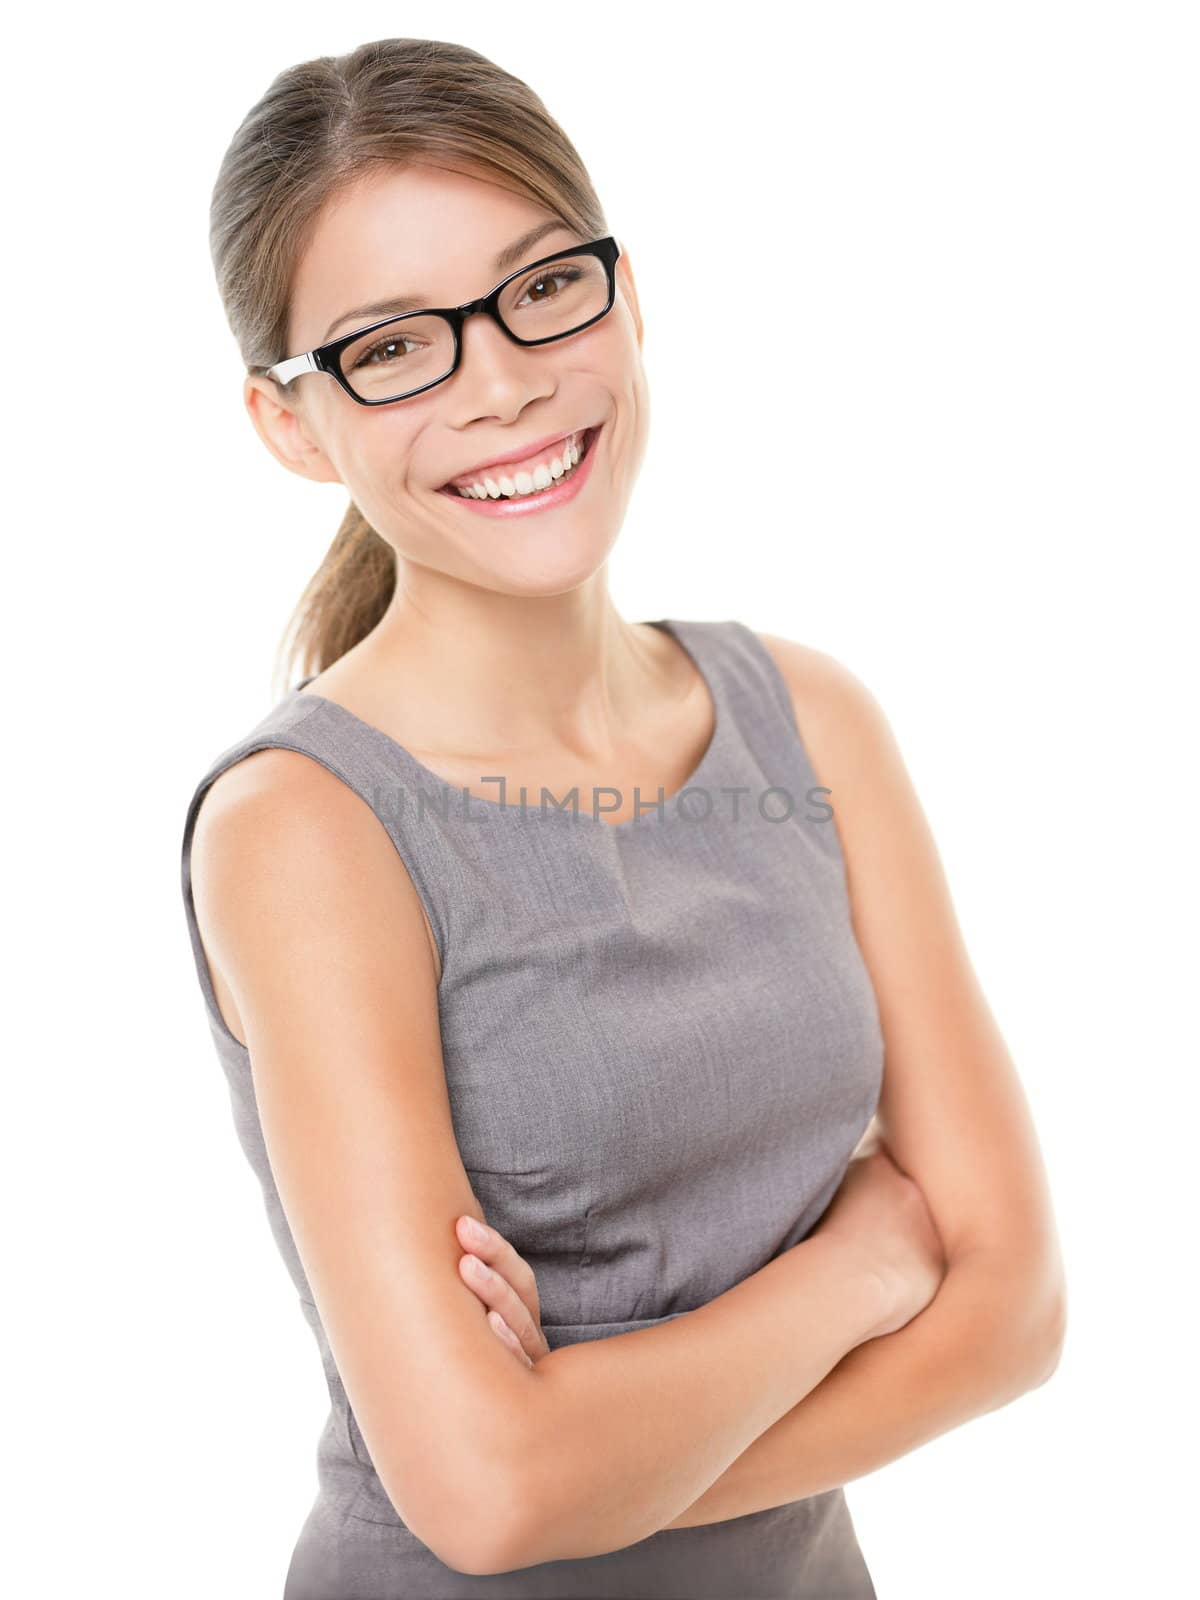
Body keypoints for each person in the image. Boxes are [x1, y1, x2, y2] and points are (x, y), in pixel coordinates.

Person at [180, 36, 1066, 1599]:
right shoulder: (305, 829)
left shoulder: (811, 717)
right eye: (394, 348)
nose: (503, 380)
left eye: (540, 290)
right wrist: (854, 1271)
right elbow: (483, 1495)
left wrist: (581, 1459)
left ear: (627, 293)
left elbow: (1015, 1311)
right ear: (293, 426)